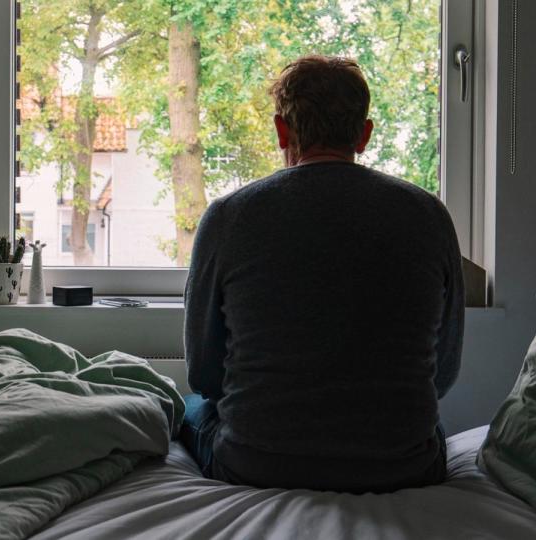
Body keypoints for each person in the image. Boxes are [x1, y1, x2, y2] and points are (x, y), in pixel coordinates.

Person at [181, 55, 464, 493]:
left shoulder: (228, 217)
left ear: (281, 130)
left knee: (189, 408)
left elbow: (203, 374)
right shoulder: (430, 215)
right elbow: (442, 373)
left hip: (257, 462)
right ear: (364, 135)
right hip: (401, 467)